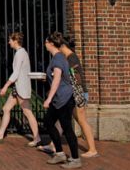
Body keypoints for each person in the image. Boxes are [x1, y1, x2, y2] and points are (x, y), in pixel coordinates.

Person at [0, 32, 40, 146]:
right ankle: (0, 134)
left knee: (27, 112)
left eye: (10, 40)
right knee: (6, 109)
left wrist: (5, 86)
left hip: (21, 87)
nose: (9, 42)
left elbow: (16, 73)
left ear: (15, 41)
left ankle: (37, 138)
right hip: (18, 87)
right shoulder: (21, 53)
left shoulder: (20, 54)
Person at [43, 32, 81, 168]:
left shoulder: (58, 58)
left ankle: (76, 159)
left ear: (51, 44)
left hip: (64, 98)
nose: (45, 44)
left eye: (46, 42)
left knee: (67, 128)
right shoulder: (57, 58)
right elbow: (55, 76)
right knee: (48, 122)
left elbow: (57, 79)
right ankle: (59, 153)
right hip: (59, 99)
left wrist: (48, 99)